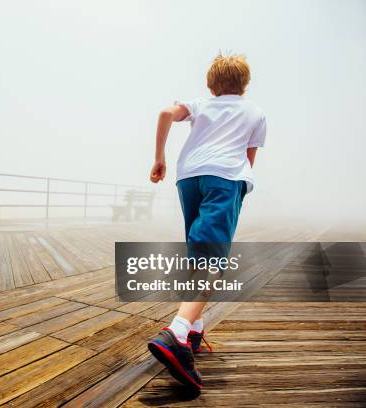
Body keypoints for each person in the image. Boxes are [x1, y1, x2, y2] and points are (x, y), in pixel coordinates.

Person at [146, 53, 267, 390]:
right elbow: (248, 160)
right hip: (225, 179)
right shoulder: (255, 113)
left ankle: (195, 328)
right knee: (212, 259)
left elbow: (165, 113)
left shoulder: (200, 104)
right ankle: (177, 332)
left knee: (197, 254)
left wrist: (159, 158)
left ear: (211, 86)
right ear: (244, 85)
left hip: (189, 178)